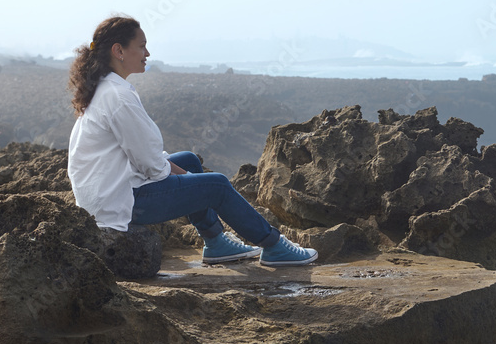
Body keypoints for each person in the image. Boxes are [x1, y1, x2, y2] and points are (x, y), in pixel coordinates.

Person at [66, 15, 317, 267]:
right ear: (119, 50)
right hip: (118, 205)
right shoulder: (117, 97)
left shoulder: (107, 89)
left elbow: (144, 157)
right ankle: (273, 246)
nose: (148, 52)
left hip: (109, 193)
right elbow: (151, 166)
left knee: (189, 160)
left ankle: (216, 243)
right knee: (216, 185)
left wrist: (183, 172)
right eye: (141, 46)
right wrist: (184, 177)